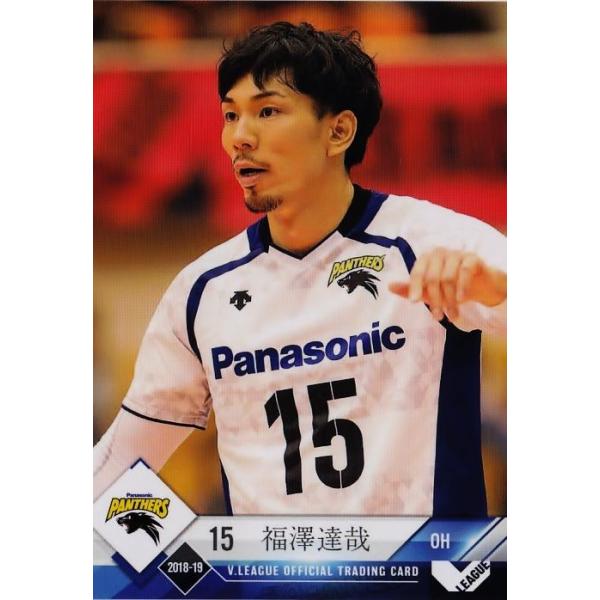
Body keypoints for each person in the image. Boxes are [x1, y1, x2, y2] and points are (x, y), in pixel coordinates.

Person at [94, 22, 506, 517]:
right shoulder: (201, 290)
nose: (240, 137)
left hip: (425, 564)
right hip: (268, 567)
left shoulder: (435, 241)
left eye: (267, 111)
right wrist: (185, 557)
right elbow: (114, 470)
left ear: (339, 131)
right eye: (230, 115)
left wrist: (499, 291)